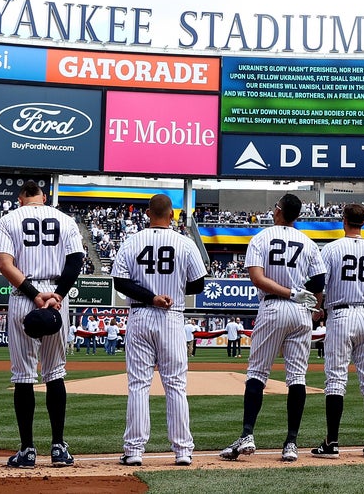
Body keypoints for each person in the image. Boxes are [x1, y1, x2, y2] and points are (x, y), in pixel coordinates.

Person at [220, 193, 326, 463]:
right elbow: (319, 280)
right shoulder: (308, 242)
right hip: (301, 311)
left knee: (257, 373)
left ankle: (247, 434)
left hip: (275, 306)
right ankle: (291, 442)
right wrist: (312, 305)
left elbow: (257, 278)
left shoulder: (261, 237)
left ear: (278, 211)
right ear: (297, 216)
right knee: (297, 378)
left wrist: (291, 293)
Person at [0, 180, 85, 469]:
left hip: (24, 297)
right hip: (57, 298)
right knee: (55, 372)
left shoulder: (9, 219)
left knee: (23, 375)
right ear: (43, 197)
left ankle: (27, 450)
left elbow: (5, 264)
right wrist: (57, 295)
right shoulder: (65, 219)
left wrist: (35, 295)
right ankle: (58, 447)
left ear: (21, 198)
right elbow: (76, 261)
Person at [113, 193, 208, 467]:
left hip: (141, 315)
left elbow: (121, 283)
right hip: (172, 317)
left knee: (138, 385)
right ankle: (182, 451)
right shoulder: (184, 243)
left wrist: (151, 297)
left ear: (147, 213)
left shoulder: (132, 241)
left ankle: (133, 451)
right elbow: (198, 284)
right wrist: (170, 291)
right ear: (172, 215)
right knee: (176, 385)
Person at [310, 203, 364, 459]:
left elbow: (320, 286)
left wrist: (318, 308)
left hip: (342, 314)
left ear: (344, 220)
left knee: (336, 379)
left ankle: (332, 442)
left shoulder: (332, 249)